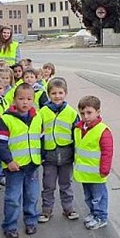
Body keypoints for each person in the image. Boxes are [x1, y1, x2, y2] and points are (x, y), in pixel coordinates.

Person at [0, 83, 43, 238]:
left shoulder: (37, 117)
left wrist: (42, 155)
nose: (25, 102)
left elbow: (41, 138)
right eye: (21, 98)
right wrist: (8, 161)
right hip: (14, 167)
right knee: (13, 198)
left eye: (29, 99)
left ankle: (30, 221)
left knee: (32, 196)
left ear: (33, 100)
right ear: (14, 100)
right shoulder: (6, 119)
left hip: (32, 164)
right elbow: (0, 143)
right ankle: (10, 226)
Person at [38, 77, 80, 223]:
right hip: (49, 156)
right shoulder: (42, 112)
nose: (57, 96)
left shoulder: (72, 113)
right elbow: (38, 134)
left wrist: (76, 155)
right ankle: (46, 210)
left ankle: (68, 208)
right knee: (48, 185)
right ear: (49, 94)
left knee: (66, 184)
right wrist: (40, 154)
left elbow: (77, 136)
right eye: (54, 93)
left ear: (66, 93)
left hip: (66, 155)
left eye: (60, 93)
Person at [74, 95, 113, 230]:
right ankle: (93, 213)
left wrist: (104, 170)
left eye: (89, 112)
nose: (86, 116)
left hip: (97, 173)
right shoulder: (78, 129)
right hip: (85, 173)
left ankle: (101, 217)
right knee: (88, 196)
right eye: (82, 113)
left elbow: (107, 152)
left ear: (98, 112)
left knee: (99, 197)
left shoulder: (103, 131)